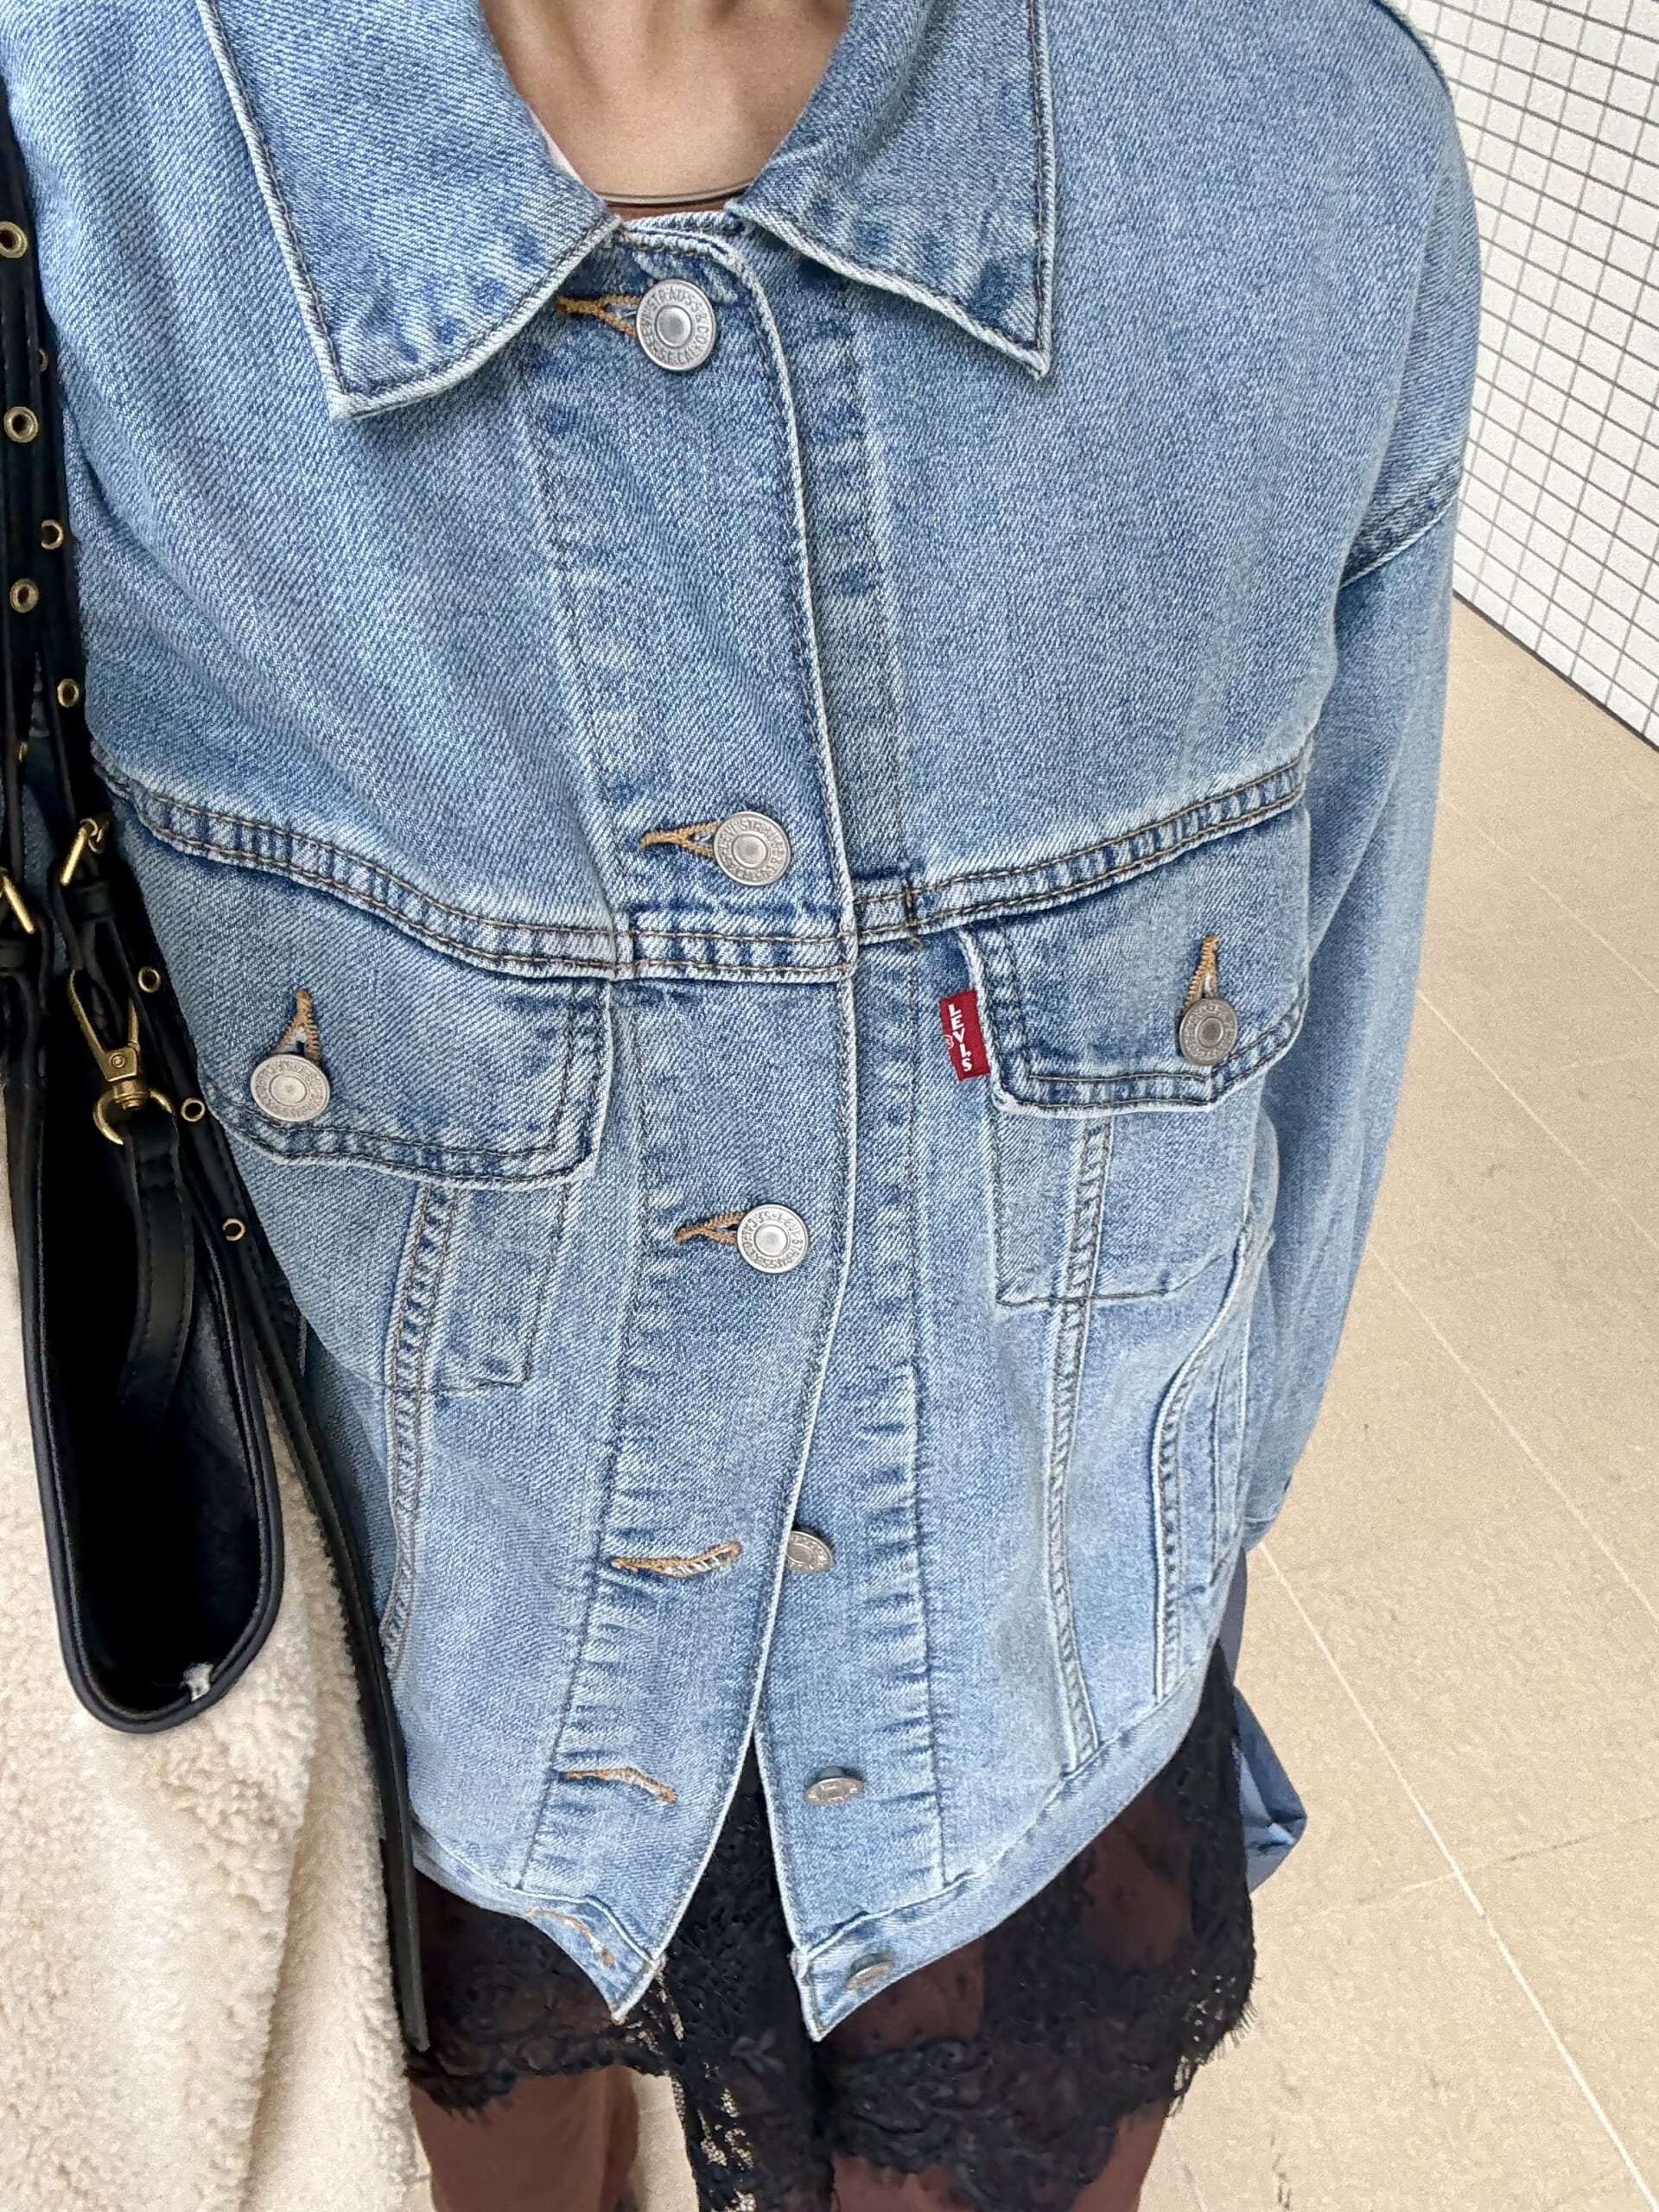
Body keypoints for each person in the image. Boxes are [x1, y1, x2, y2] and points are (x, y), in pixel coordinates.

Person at [0, 0, 1479, 2204]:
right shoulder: (77, 161)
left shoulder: (1309, 157)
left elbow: (1329, 1017)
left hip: (1038, 1723)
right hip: (436, 1717)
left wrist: (1196, 1535)